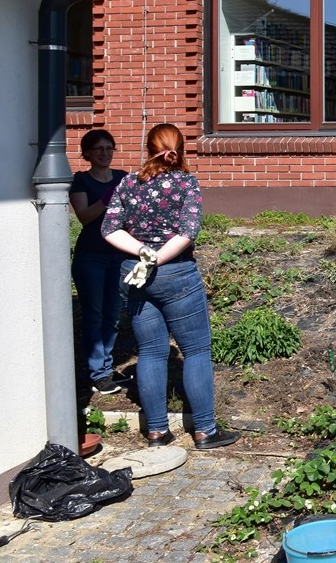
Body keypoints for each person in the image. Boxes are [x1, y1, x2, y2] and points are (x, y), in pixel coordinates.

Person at [102, 123, 240, 450]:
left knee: (150, 351)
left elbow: (109, 229)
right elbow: (187, 232)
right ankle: (205, 430)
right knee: (196, 350)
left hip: (135, 274)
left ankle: (157, 432)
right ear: (181, 149)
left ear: (148, 149)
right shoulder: (186, 183)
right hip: (175, 273)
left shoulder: (128, 183)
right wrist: (158, 258)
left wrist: (143, 253)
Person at [69, 129, 130, 395]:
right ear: (87, 153)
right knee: (94, 315)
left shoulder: (123, 177)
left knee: (113, 315)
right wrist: (108, 197)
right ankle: (99, 373)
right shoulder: (81, 180)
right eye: (99, 149)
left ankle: (105, 368)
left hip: (119, 256)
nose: (105, 153)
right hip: (91, 257)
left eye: (109, 148)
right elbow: (84, 216)